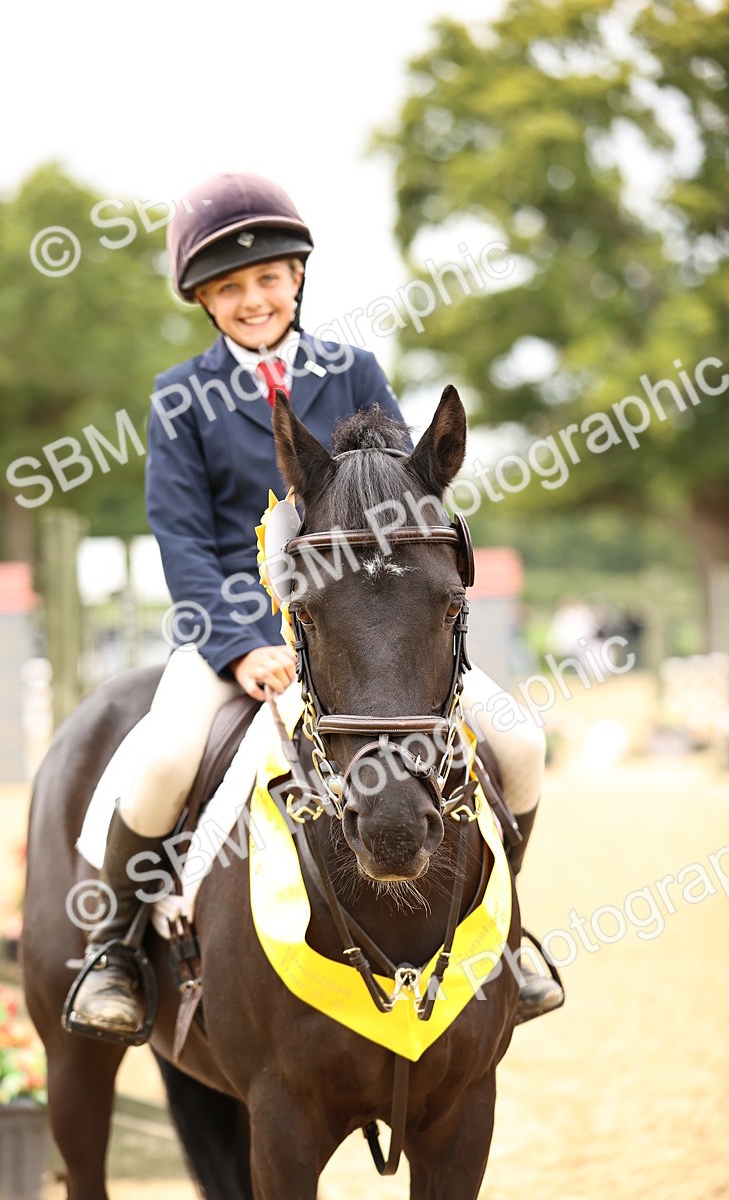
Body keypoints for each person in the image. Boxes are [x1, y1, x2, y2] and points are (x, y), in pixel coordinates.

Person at [69, 172, 562, 1040]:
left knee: (521, 740)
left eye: (267, 279)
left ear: (297, 277)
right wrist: (243, 648)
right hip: (238, 638)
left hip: (367, 633)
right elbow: (184, 541)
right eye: (229, 288)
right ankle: (112, 948)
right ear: (206, 303)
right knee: (161, 758)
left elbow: (408, 504)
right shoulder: (180, 397)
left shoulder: (355, 370)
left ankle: (508, 935)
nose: (252, 299)